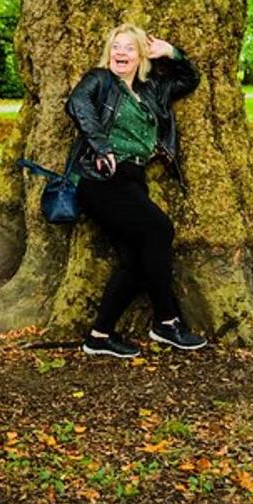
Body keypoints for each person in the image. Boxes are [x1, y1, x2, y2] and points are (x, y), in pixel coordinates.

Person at [64, 23, 207, 358]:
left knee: (134, 261)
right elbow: (77, 104)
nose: (121, 53)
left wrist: (172, 53)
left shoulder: (152, 88)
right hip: (101, 178)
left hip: (133, 179)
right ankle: (167, 321)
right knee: (160, 229)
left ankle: (99, 336)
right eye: (116, 47)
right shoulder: (98, 80)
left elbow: (190, 79)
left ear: (142, 54)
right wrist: (101, 147)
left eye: (129, 47)